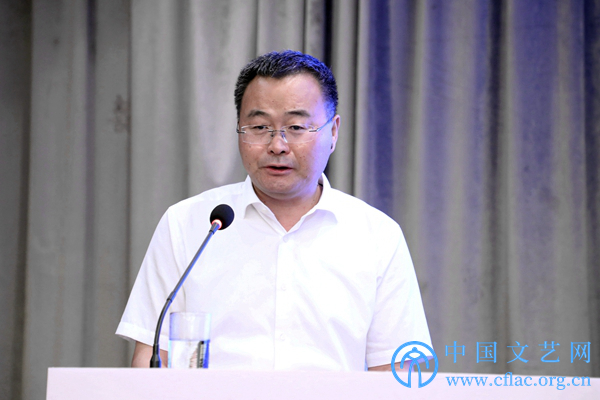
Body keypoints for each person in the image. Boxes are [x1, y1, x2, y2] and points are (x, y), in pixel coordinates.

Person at [116, 50, 431, 371]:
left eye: (296, 127)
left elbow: (394, 371)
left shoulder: (377, 236)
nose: (277, 145)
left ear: (333, 132)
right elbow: (151, 358)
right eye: (259, 127)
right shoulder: (187, 224)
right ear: (239, 128)